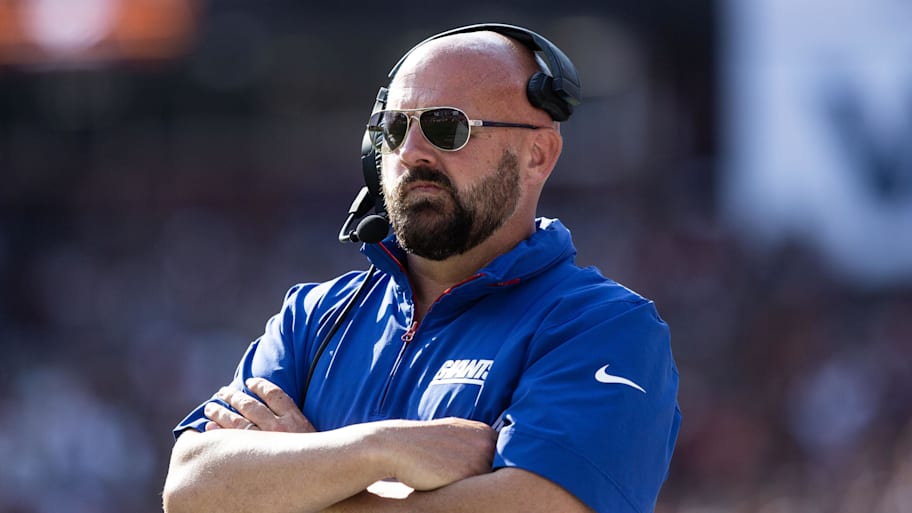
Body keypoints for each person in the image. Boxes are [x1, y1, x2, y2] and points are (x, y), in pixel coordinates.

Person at [162, 23, 680, 513]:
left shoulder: (605, 327)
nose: (411, 152)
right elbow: (190, 487)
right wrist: (381, 447)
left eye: (445, 126)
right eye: (392, 128)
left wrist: (301, 479)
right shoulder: (313, 316)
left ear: (537, 155)